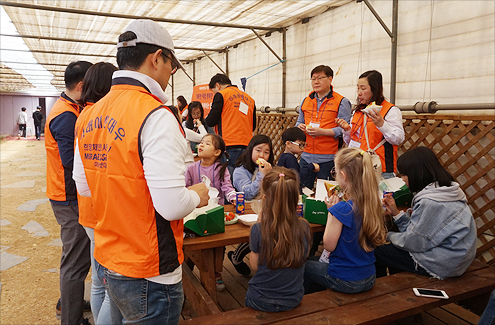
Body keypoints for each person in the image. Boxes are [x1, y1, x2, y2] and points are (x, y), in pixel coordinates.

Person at [73, 19, 209, 325]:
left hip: (110, 257)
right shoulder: (156, 115)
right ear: (157, 58)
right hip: (151, 270)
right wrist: (198, 195)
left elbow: (84, 186)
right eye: (171, 66)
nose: (169, 74)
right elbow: (171, 205)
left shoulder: (89, 114)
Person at [375, 146, 477, 279]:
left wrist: (386, 236)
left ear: (416, 173)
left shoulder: (430, 202)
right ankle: (400, 283)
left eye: (404, 174)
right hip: (456, 258)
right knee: (393, 249)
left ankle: (380, 291)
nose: (403, 179)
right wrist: (396, 213)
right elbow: (419, 233)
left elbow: (413, 242)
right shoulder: (447, 191)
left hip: (443, 264)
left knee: (376, 249)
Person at [45, 60, 93, 325]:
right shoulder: (65, 115)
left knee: (74, 256)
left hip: (65, 194)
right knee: (75, 260)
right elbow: (70, 161)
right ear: (82, 85)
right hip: (68, 196)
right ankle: (71, 319)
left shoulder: (70, 108)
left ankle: (70, 301)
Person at [303, 147, 387, 294]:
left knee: (303, 266)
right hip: (369, 277)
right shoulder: (373, 204)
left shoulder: (342, 209)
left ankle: (312, 307)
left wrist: (331, 212)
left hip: (344, 280)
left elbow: (328, 245)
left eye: (334, 172)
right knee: (314, 262)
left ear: (343, 175)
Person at [76, 61, 118, 325]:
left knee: (99, 281)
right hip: (106, 213)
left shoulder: (83, 116)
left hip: (88, 211)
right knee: (112, 288)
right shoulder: (106, 117)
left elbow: (80, 179)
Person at [245, 167, 312, 312]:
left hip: (259, 300)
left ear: (264, 199)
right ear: (296, 198)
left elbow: (254, 266)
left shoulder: (258, 229)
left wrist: (260, 221)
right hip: (293, 299)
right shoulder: (304, 227)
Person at [184, 133, 236, 291]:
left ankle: (216, 273)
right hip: (195, 213)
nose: (200, 145)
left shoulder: (221, 169)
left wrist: (233, 197)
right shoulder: (192, 168)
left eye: (207, 144)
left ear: (217, 152)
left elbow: (227, 187)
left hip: (215, 214)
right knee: (194, 245)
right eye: (200, 142)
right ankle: (188, 273)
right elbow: (185, 188)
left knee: (218, 245)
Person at [336, 70, 405, 179]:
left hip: (380, 169)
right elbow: (350, 141)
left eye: (363, 88)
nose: (359, 92)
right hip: (357, 167)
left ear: (375, 89)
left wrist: (381, 124)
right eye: (358, 88)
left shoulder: (390, 110)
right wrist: (347, 130)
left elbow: (398, 138)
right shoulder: (357, 112)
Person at [296, 65, 351, 189]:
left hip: (329, 158)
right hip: (306, 156)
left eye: (320, 78)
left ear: (330, 79)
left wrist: (323, 132)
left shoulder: (341, 101)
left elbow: (345, 129)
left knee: (326, 193)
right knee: (302, 191)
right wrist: (300, 127)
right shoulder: (306, 100)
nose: (316, 81)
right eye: (313, 78)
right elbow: (298, 122)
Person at [228, 134, 274, 275]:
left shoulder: (270, 168)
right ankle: (237, 257)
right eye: (258, 150)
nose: (262, 155)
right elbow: (248, 193)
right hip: (246, 210)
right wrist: (262, 175)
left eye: (266, 152)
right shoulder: (239, 171)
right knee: (258, 232)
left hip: (265, 208)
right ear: (250, 150)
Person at [206, 73, 257, 176]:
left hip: (228, 144)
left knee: (228, 180)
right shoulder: (250, 99)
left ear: (217, 85)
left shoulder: (221, 95)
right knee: (242, 178)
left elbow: (211, 121)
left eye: (213, 91)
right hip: (247, 145)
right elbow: (253, 125)